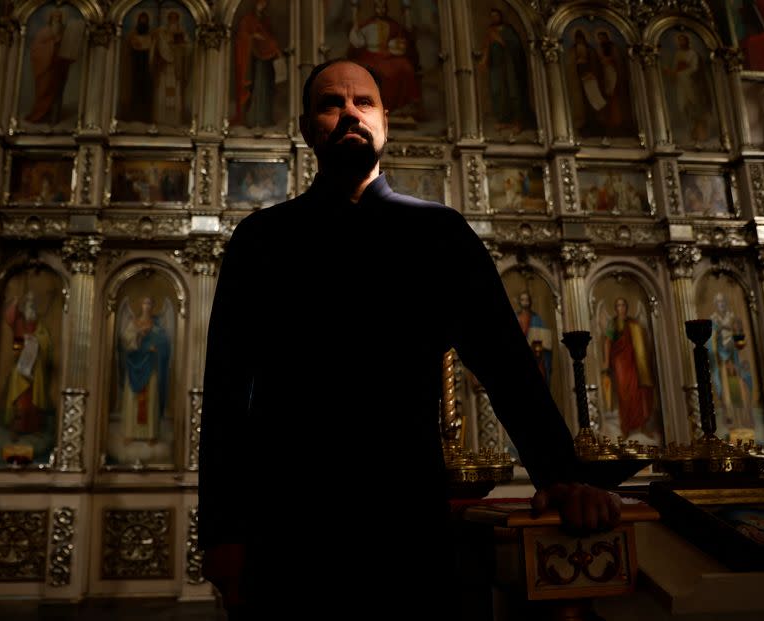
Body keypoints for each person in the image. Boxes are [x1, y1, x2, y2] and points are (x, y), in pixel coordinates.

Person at [199, 59, 622, 620]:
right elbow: (226, 396)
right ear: (307, 128)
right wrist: (224, 536)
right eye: (331, 103)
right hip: (290, 529)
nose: (350, 112)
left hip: (407, 523)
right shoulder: (262, 240)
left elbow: (508, 366)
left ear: (385, 123)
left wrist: (564, 478)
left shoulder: (438, 233)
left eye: (364, 102)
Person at [348, 0, 421, 117]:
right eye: (378, 7)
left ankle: (402, 107)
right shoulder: (366, 25)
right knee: (363, 70)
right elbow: (357, 42)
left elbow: (403, 41)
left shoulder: (394, 26)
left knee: (405, 66)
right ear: (375, 8)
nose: (381, 10)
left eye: (383, 7)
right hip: (369, 55)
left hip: (388, 55)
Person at [117, 296, 172, 443]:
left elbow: (164, 343)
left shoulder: (156, 325)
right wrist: (138, 334)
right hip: (135, 364)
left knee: (151, 397)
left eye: (149, 303)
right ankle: (130, 433)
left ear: (153, 306)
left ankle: (150, 434)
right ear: (140, 305)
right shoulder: (133, 323)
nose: (146, 306)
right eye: (144, 303)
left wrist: (156, 347)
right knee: (133, 399)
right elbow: (126, 341)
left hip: (150, 365)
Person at [1, 291, 54, 439]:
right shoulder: (20, 323)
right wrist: (15, 302)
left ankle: (34, 427)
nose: (31, 309)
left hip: (36, 370)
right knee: (19, 398)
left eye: (33, 306)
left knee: (34, 400)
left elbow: (46, 343)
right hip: (21, 368)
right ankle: (16, 428)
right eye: (28, 305)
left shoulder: (40, 326)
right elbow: (10, 320)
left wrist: (36, 341)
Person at [601, 297, 655, 439]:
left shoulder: (633, 323)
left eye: (623, 305)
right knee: (624, 394)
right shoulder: (613, 323)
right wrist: (606, 362)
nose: (621, 308)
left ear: (626, 307)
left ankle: (641, 426)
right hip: (620, 364)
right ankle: (625, 428)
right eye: (618, 305)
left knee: (638, 393)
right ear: (615, 308)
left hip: (634, 363)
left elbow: (642, 345)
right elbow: (608, 342)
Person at [707, 292, 753, 430]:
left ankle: (745, 418)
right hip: (721, 359)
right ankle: (730, 418)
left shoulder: (733, 318)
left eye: (723, 302)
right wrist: (718, 349)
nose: (721, 304)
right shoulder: (713, 320)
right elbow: (711, 342)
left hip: (735, 357)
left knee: (742, 385)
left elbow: (741, 340)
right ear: (716, 305)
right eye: (718, 302)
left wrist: (735, 342)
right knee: (724, 387)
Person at [479, 8, 529, 133]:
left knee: (513, 91)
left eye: (496, 16)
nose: (494, 18)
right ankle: (503, 120)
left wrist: (501, 40)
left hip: (510, 66)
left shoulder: (508, 30)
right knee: (497, 92)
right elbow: (486, 48)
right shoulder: (490, 31)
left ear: (501, 17)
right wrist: (484, 60)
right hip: (496, 67)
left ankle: (517, 121)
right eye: (492, 16)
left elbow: (516, 45)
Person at [233, 0, 282, 128]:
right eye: (261, 2)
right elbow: (242, 36)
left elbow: (270, 37)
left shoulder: (265, 19)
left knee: (265, 88)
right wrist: (252, 36)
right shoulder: (247, 19)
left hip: (266, 60)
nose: (263, 5)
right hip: (253, 61)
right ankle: (253, 118)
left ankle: (265, 118)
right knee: (256, 89)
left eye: (265, 3)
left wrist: (272, 47)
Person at [25, 8, 77, 124]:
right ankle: (40, 115)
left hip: (59, 67)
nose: (57, 20)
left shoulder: (64, 32)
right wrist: (53, 44)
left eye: (59, 18)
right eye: (55, 17)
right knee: (44, 90)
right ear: (51, 19)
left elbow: (69, 46)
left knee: (57, 92)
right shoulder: (44, 32)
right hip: (46, 68)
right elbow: (36, 49)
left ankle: (53, 118)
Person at [663, 33, 713, 143]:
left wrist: (678, 73)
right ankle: (690, 131)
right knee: (683, 106)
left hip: (691, 84)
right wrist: (672, 73)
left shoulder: (693, 54)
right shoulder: (678, 54)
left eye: (682, 40)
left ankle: (699, 132)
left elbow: (694, 69)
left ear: (686, 41)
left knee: (694, 105)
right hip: (681, 85)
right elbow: (675, 68)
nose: (681, 43)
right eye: (679, 41)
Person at [151, 10, 191, 126]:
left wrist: (181, 46)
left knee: (175, 93)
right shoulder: (162, 32)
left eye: (175, 18)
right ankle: (161, 119)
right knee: (162, 91)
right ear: (168, 19)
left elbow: (189, 47)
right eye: (171, 18)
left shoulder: (182, 32)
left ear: (177, 19)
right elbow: (157, 47)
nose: (173, 20)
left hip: (176, 69)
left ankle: (174, 120)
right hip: (164, 68)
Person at [120, 11, 155, 124]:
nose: (143, 21)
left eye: (145, 20)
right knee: (134, 89)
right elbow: (130, 46)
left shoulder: (151, 34)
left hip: (146, 65)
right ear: (138, 21)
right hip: (135, 64)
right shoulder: (133, 34)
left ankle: (145, 116)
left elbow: (151, 46)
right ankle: (133, 114)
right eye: (142, 19)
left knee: (145, 90)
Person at [515, 291, 552, 387]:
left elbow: (544, 338)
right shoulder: (517, 317)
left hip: (535, 354)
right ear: (519, 301)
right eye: (522, 299)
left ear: (530, 301)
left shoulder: (536, 318)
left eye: (527, 299)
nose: (525, 302)